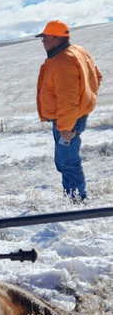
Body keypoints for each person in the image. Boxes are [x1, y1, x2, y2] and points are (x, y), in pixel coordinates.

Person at [35, 20, 102, 202]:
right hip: (72, 118)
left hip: (68, 121)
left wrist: (66, 127)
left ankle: (77, 200)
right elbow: (97, 76)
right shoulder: (78, 51)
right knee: (65, 161)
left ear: (55, 38)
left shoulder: (63, 61)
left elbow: (67, 99)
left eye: (45, 38)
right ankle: (71, 196)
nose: (43, 42)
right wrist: (86, 99)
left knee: (68, 162)